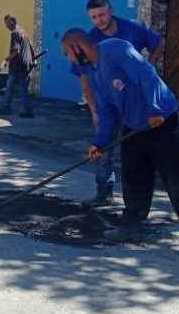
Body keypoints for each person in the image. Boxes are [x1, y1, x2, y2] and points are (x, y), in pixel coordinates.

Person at [62, 29, 179, 240]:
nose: (68, 59)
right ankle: (133, 222)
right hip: (134, 125)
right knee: (133, 174)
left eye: (66, 53)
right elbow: (108, 111)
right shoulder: (93, 72)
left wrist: (155, 109)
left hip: (162, 120)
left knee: (173, 175)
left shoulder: (116, 49)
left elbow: (147, 75)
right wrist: (99, 143)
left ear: (76, 47)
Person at [73, 0, 165, 206]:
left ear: (111, 10)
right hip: (108, 104)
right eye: (94, 17)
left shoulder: (132, 28)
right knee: (103, 147)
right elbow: (85, 79)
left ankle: (139, 202)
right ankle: (104, 192)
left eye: (102, 14)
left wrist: (150, 63)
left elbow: (159, 43)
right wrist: (93, 109)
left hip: (138, 102)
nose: (99, 20)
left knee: (140, 150)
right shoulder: (90, 40)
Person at [1, 14, 35, 118]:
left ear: (12, 22)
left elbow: (16, 50)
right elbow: (31, 46)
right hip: (25, 65)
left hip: (17, 66)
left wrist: (7, 59)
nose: (6, 26)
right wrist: (34, 59)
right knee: (22, 89)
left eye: (7, 24)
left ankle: (6, 107)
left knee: (10, 86)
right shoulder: (23, 32)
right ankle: (26, 110)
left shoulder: (15, 33)